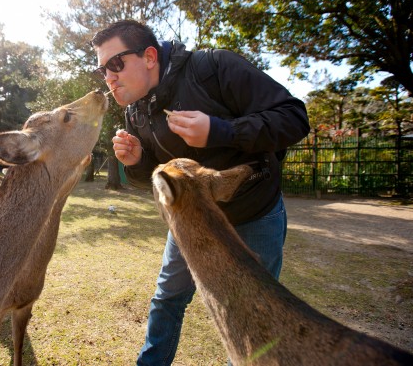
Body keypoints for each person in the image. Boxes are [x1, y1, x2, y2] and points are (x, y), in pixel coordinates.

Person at [90, 20, 310, 365]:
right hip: (189, 220)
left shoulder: (215, 67)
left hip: (255, 213)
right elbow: (152, 177)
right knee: (167, 300)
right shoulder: (136, 110)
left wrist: (221, 130)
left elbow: (294, 118)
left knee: (254, 313)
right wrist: (135, 163)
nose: (109, 77)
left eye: (115, 64)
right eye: (103, 69)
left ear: (149, 56)